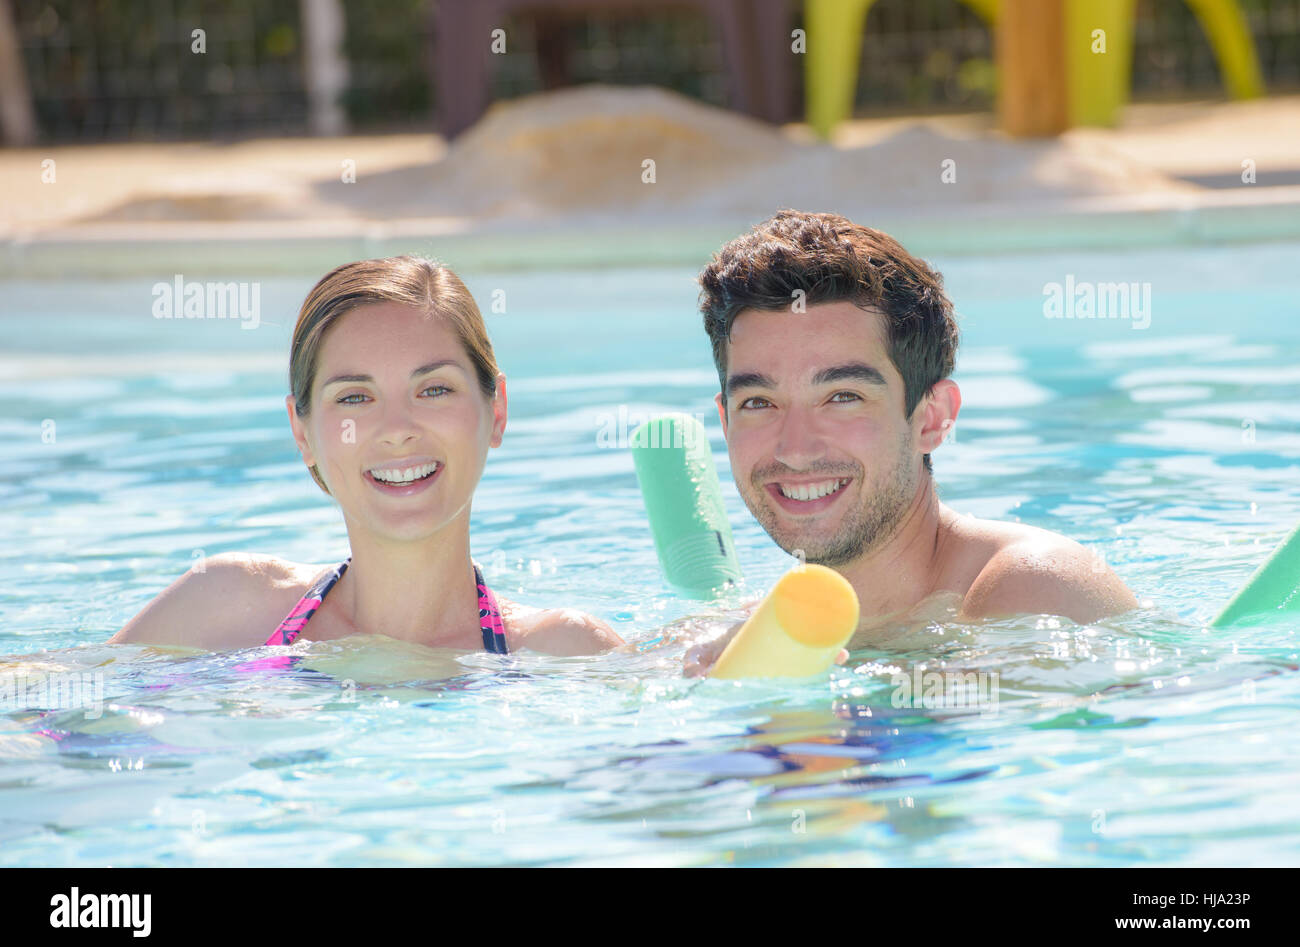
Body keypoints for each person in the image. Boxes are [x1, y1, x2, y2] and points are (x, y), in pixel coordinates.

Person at [685, 210, 1137, 675]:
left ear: (933, 418)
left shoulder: (1034, 588)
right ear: (724, 422)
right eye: (759, 403)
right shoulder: (751, 625)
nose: (795, 449)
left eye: (843, 397)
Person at [110, 256, 623, 656]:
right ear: (302, 431)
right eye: (355, 397)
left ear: (498, 410)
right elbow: (43, 717)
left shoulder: (563, 655)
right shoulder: (223, 607)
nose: (397, 430)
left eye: (434, 389)